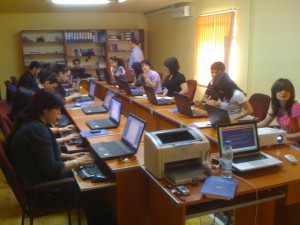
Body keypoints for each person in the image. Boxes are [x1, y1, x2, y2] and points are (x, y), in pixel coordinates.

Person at [258, 78, 300, 145]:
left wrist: (282, 136)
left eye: (287, 90)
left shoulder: (295, 107)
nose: (283, 92)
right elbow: (264, 123)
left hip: (296, 143)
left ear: (291, 93)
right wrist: (249, 128)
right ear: (274, 92)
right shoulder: (276, 106)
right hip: (283, 139)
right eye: (280, 90)